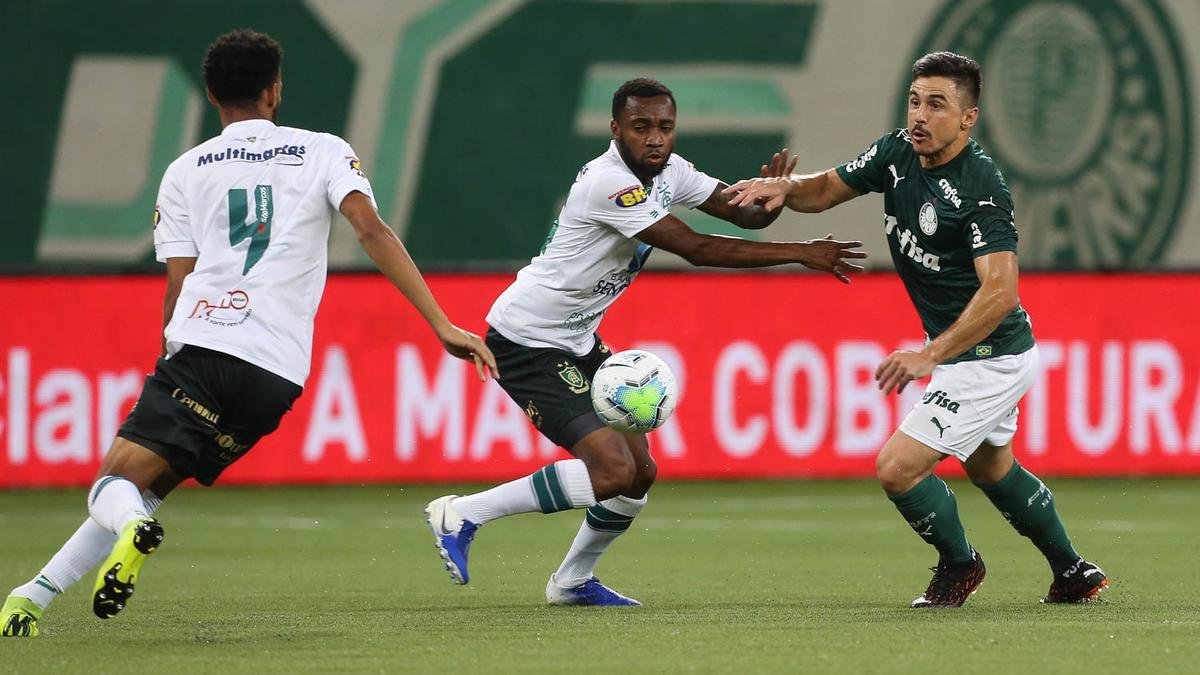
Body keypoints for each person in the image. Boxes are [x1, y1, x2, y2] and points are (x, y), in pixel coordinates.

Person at [0, 28, 497, 637]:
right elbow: (372, 232)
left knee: (114, 485)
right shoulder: (323, 150)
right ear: (274, 91)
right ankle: (31, 599)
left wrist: (171, 352)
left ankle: (120, 539)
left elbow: (179, 282)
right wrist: (442, 323)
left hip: (206, 346)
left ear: (212, 94)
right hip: (276, 376)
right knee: (149, 488)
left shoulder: (184, 171)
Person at [424, 78, 866, 606]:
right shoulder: (608, 183)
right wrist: (800, 252)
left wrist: (774, 198)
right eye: (641, 127)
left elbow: (738, 211)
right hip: (527, 340)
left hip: (577, 338)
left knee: (640, 474)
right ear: (616, 130)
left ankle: (571, 583)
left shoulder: (671, 172)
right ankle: (464, 512)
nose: (655, 138)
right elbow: (696, 248)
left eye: (665, 127)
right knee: (612, 470)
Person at [723, 52, 1107, 607]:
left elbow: (1001, 293)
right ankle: (1072, 572)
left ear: (968, 117)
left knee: (897, 468)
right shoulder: (897, 153)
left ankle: (960, 566)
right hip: (975, 354)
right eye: (914, 101)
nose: (919, 116)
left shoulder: (980, 187)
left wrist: (932, 355)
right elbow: (827, 187)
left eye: (936, 104)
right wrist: (787, 190)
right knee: (992, 467)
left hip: (989, 355)